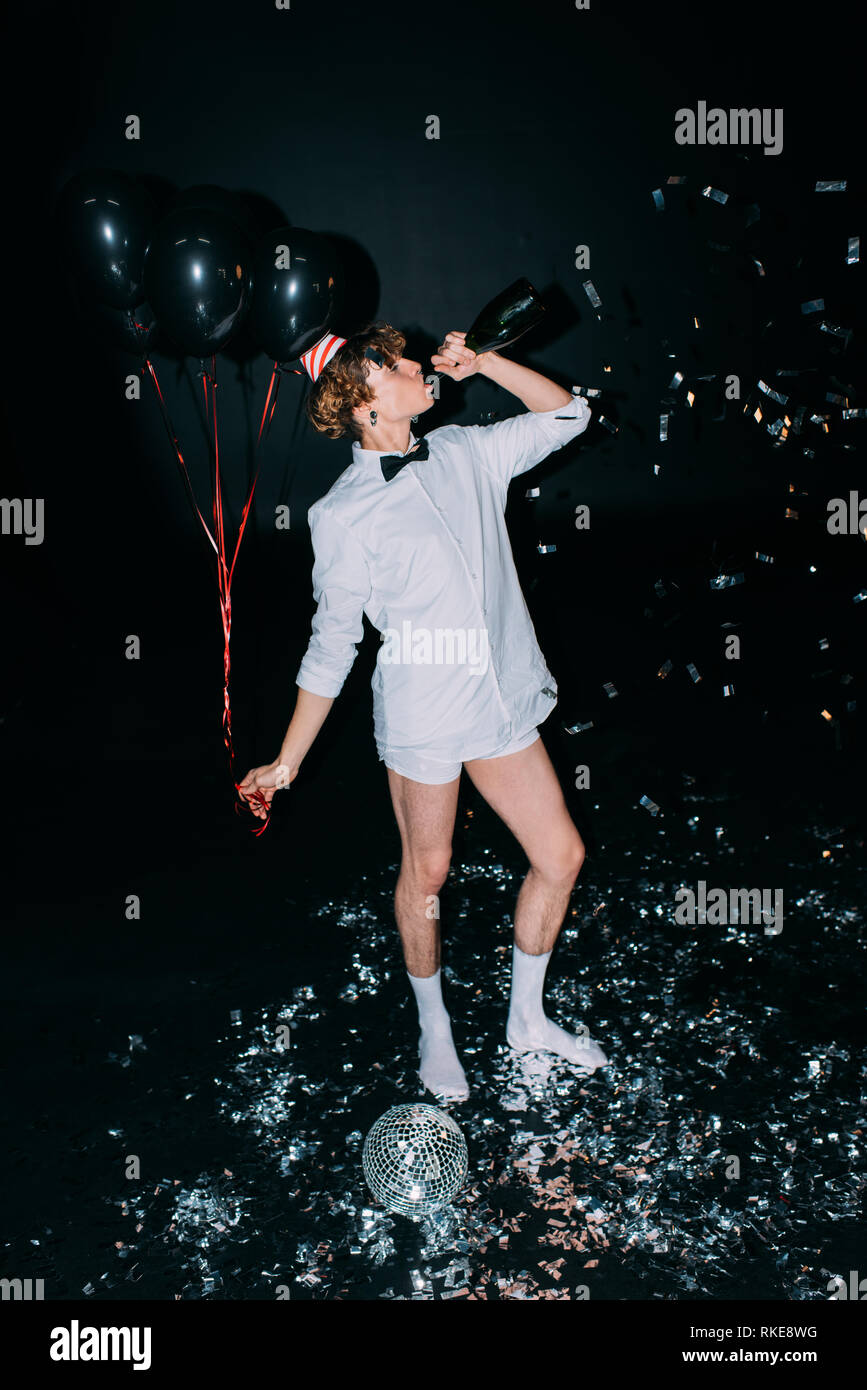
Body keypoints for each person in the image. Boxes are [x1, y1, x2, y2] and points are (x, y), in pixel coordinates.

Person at [239, 321, 608, 1101]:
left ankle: (526, 1020)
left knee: (560, 857)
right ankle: (433, 1028)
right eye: (396, 364)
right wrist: (287, 761)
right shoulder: (342, 515)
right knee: (429, 874)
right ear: (364, 404)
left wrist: (492, 361)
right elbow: (331, 644)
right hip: (425, 712)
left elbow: (568, 414)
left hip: (501, 698)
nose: (417, 364)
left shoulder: (467, 452)